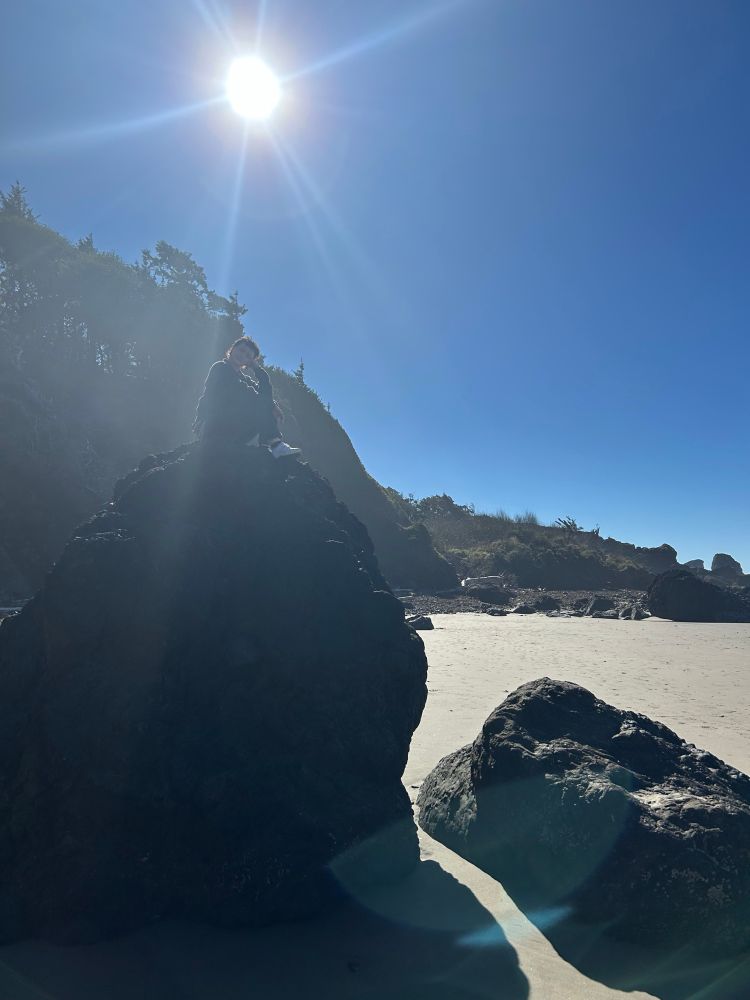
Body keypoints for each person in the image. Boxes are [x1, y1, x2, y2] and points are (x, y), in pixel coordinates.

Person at [194, 336, 301, 458]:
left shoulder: (243, 378)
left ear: (249, 362)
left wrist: (257, 369)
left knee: (265, 402)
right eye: (241, 350)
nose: (242, 355)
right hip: (210, 425)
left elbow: (264, 393)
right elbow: (243, 392)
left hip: (229, 427)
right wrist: (270, 406)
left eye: (248, 356)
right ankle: (275, 445)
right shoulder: (220, 368)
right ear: (232, 349)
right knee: (261, 403)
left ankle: (269, 447)